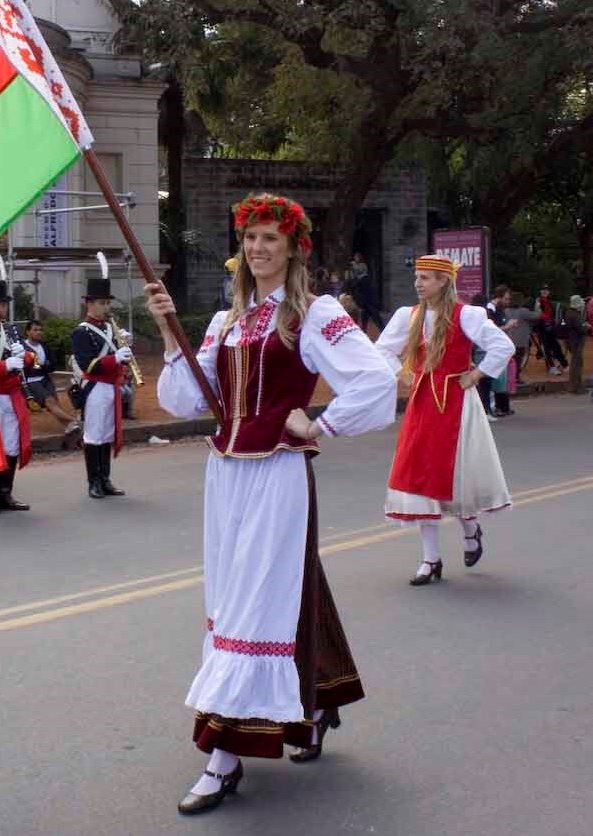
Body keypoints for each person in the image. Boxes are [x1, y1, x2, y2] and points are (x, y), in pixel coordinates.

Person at [148, 193, 396, 816]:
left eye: (270, 239)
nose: (257, 249)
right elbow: (185, 400)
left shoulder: (313, 314)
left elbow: (374, 379)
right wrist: (167, 333)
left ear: (293, 249)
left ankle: (223, 756)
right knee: (259, 591)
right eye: (250, 238)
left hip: (278, 471)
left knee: (255, 602)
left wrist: (322, 425)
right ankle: (315, 700)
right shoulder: (223, 323)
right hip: (225, 472)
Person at [376, 255, 514, 586]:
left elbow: (502, 345)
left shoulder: (465, 314)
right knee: (421, 475)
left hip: (456, 402)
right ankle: (431, 559)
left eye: (425, 278)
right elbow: (381, 349)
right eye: (417, 277)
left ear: (442, 281)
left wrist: (477, 374)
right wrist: (402, 375)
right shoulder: (407, 316)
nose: (418, 283)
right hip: (423, 401)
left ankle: (469, 530)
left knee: (456, 472)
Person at [70, 275, 134, 499]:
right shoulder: (81, 331)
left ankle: (105, 479)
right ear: (89, 304)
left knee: (107, 434)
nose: (106, 307)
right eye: (101, 303)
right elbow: (87, 364)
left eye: (108, 303)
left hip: (111, 387)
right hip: (95, 387)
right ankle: (93, 482)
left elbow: (120, 361)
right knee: (94, 435)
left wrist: (125, 348)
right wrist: (115, 357)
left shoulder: (111, 329)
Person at [0, 280, 35, 514]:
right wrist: (4, 365)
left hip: (11, 395)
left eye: (3, 305)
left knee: (11, 446)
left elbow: (29, 359)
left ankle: (5, 493)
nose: (2, 309)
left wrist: (26, 357)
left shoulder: (9, 330)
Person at [23, 319, 80, 435]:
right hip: (32, 381)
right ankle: (74, 421)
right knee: (49, 401)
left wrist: (43, 366)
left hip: (45, 379)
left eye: (40, 330)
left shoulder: (44, 346)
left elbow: (51, 364)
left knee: (54, 404)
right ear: (28, 332)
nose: (39, 332)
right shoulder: (22, 347)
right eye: (35, 330)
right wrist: (40, 366)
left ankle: (68, 426)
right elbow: (27, 367)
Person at [486, 285, 518, 416]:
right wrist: (507, 326)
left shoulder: (500, 309)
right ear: (498, 297)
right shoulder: (489, 309)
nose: (508, 302)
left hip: (501, 347)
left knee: (503, 378)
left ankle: (503, 406)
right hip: (492, 348)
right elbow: (491, 331)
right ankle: (496, 407)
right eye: (505, 299)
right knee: (496, 378)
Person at [506, 292, 541, 385]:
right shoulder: (523, 311)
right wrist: (538, 306)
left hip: (509, 340)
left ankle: (509, 378)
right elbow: (537, 315)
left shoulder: (506, 311)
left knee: (509, 361)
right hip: (520, 341)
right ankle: (516, 379)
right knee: (518, 360)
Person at [534, 285, 567, 375]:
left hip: (550, 327)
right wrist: (548, 319)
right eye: (543, 290)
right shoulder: (538, 301)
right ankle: (551, 367)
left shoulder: (548, 301)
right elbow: (538, 313)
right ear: (540, 291)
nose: (545, 291)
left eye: (546, 290)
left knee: (555, 346)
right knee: (547, 348)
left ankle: (564, 364)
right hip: (542, 327)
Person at [350, 253, 384, 334]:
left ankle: (383, 330)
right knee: (365, 318)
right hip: (365, 303)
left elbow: (358, 271)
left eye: (357, 257)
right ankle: (364, 333)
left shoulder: (364, 278)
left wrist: (353, 266)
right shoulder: (359, 281)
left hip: (368, 302)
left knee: (375, 318)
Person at [564, 295, 589, 394]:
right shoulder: (576, 315)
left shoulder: (569, 313)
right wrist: (587, 326)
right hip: (576, 341)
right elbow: (582, 328)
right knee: (577, 364)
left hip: (571, 341)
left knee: (575, 362)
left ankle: (574, 386)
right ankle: (576, 387)